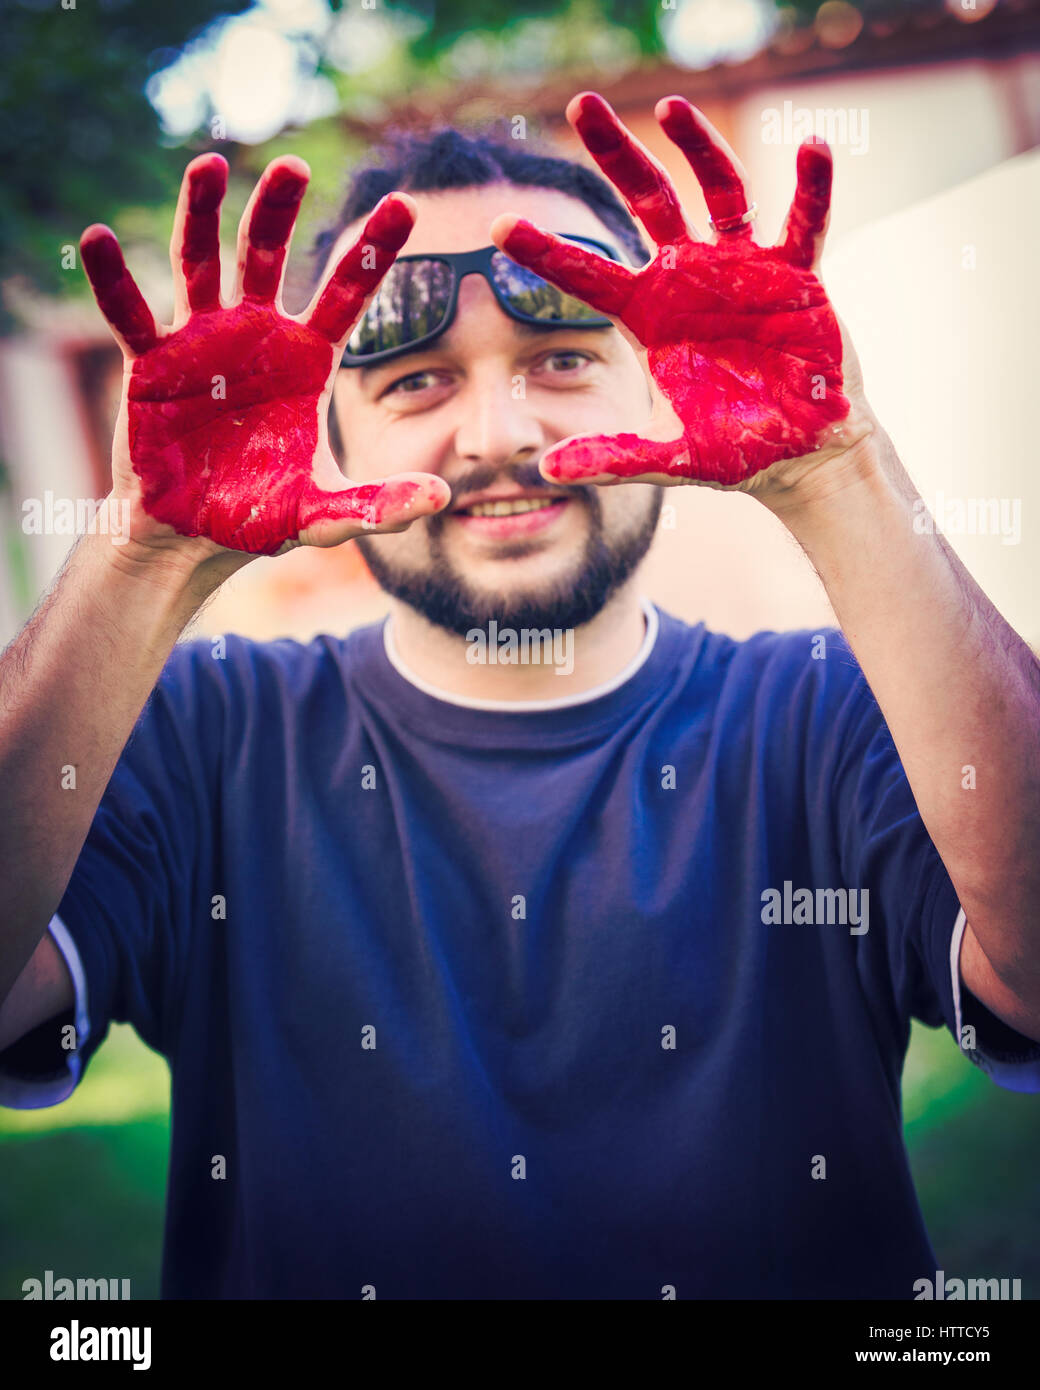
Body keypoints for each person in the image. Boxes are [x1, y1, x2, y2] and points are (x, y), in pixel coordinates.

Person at [1, 92, 1038, 1300]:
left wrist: (838, 467)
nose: (497, 433)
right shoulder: (195, 735)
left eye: (561, 357)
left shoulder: (833, 717)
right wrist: (141, 555)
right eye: (415, 381)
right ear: (325, 436)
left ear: (655, 386)